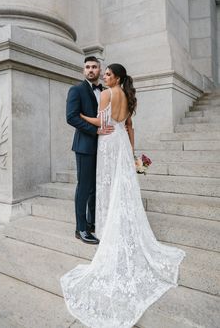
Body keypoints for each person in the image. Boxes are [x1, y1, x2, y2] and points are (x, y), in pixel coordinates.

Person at [61, 63, 185, 328]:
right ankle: (107, 225)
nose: (103, 76)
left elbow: (102, 123)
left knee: (106, 186)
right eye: (101, 72)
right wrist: (132, 153)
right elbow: (128, 127)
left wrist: (84, 118)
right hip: (121, 145)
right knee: (121, 186)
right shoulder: (129, 97)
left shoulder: (106, 93)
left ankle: (104, 227)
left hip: (106, 142)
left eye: (107, 73)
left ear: (115, 77)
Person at [66, 56, 114, 245]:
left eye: (94, 67)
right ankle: (81, 228)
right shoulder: (76, 90)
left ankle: (93, 222)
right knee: (84, 187)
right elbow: (71, 117)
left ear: (100, 70)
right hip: (85, 146)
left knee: (97, 187)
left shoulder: (104, 91)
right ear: (83, 70)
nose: (91, 70)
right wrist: (96, 131)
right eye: (87, 67)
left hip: (103, 147)